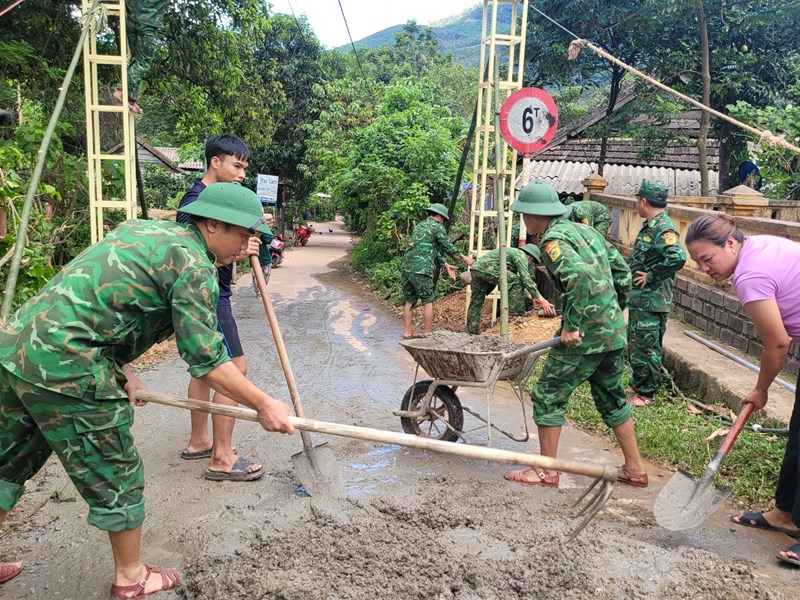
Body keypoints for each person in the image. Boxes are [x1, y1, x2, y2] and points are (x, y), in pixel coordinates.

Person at [0, 183, 294, 597]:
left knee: (7, 460)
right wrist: (264, 404)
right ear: (212, 224)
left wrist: (123, 372)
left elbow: (101, 304)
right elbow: (207, 360)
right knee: (116, 470)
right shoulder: (195, 266)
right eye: (243, 234)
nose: (247, 245)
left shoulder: (142, 230)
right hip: (68, 366)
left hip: (17, 350)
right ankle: (131, 578)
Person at [503, 181, 648, 488]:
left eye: (523, 215)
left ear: (533, 216)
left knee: (547, 394)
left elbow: (578, 277)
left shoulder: (553, 240)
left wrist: (573, 324)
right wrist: (611, 312)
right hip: (610, 332)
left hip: (584, 335)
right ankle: (635, 469)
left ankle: (546, 471)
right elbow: (622, 272)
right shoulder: (588, 232)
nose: (523, 221)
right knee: (611, 396)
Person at [686, 213, 800, 567]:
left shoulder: (749, 275)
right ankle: (785, 514)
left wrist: (760, 390)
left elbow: (778, 343)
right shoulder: (759, 244)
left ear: (731, 243)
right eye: (698, 262)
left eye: (708, 258)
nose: (705, 268)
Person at [176, 134, 264, 481]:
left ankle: (199, 440)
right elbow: (189, 262)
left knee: (202, 370)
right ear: (215, 162)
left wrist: (238, 247)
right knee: (234, 368)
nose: (242, 174)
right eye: (237, 165)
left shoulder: (213, 198)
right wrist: (238, 252)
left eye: (244, 167)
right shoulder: (198, 202)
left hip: (216, 290)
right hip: (210, 295)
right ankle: (222, 456)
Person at [626, 180, 686, 407]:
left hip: (653, 300)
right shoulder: (651, 225)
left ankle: (647, 394)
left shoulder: (663, 227)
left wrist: (651, 275)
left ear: (643, 201)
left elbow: (677, 257)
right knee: (637, 343)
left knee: (648, 346)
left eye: (637, 200)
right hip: (641, 299)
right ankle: (638, 383)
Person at [401, 203, 474, 339]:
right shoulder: (437, 227)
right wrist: (465, 259)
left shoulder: (421, 226)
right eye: (443, 219)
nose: (443, 222)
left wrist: (445, 264)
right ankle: (429, 335)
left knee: (409, 300)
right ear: (439, 216)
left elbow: (429, 249)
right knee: (428, 300)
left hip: (407, 268)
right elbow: (449, 248)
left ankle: (407, 332)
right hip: (421, 269)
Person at [465, 244, 556, 335]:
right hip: (488, 268)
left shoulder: (511, 255)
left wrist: (532, 298)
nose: (530, 264)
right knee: (516, 280)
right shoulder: (520, 255)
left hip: (477, 268)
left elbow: (516, 287)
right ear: (530, 258)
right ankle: (516, 315)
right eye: (532, 262)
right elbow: (525, 279)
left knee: (476, 302)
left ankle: (471, 332)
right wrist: (542, 300)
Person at [112, 0, 168, 114]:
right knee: (142, 63)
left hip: (131, 20)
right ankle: (121, 91)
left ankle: (130, 97)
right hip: (148, 23)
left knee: (136, 59)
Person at [253, 212, 275, 295]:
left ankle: (263, 288)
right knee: (255, 275)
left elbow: (268, 240)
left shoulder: (265, 230)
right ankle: (258, 291)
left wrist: (262, 230)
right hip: (255, 256)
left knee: (266, 274)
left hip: (265, 257)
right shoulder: (253, 228)